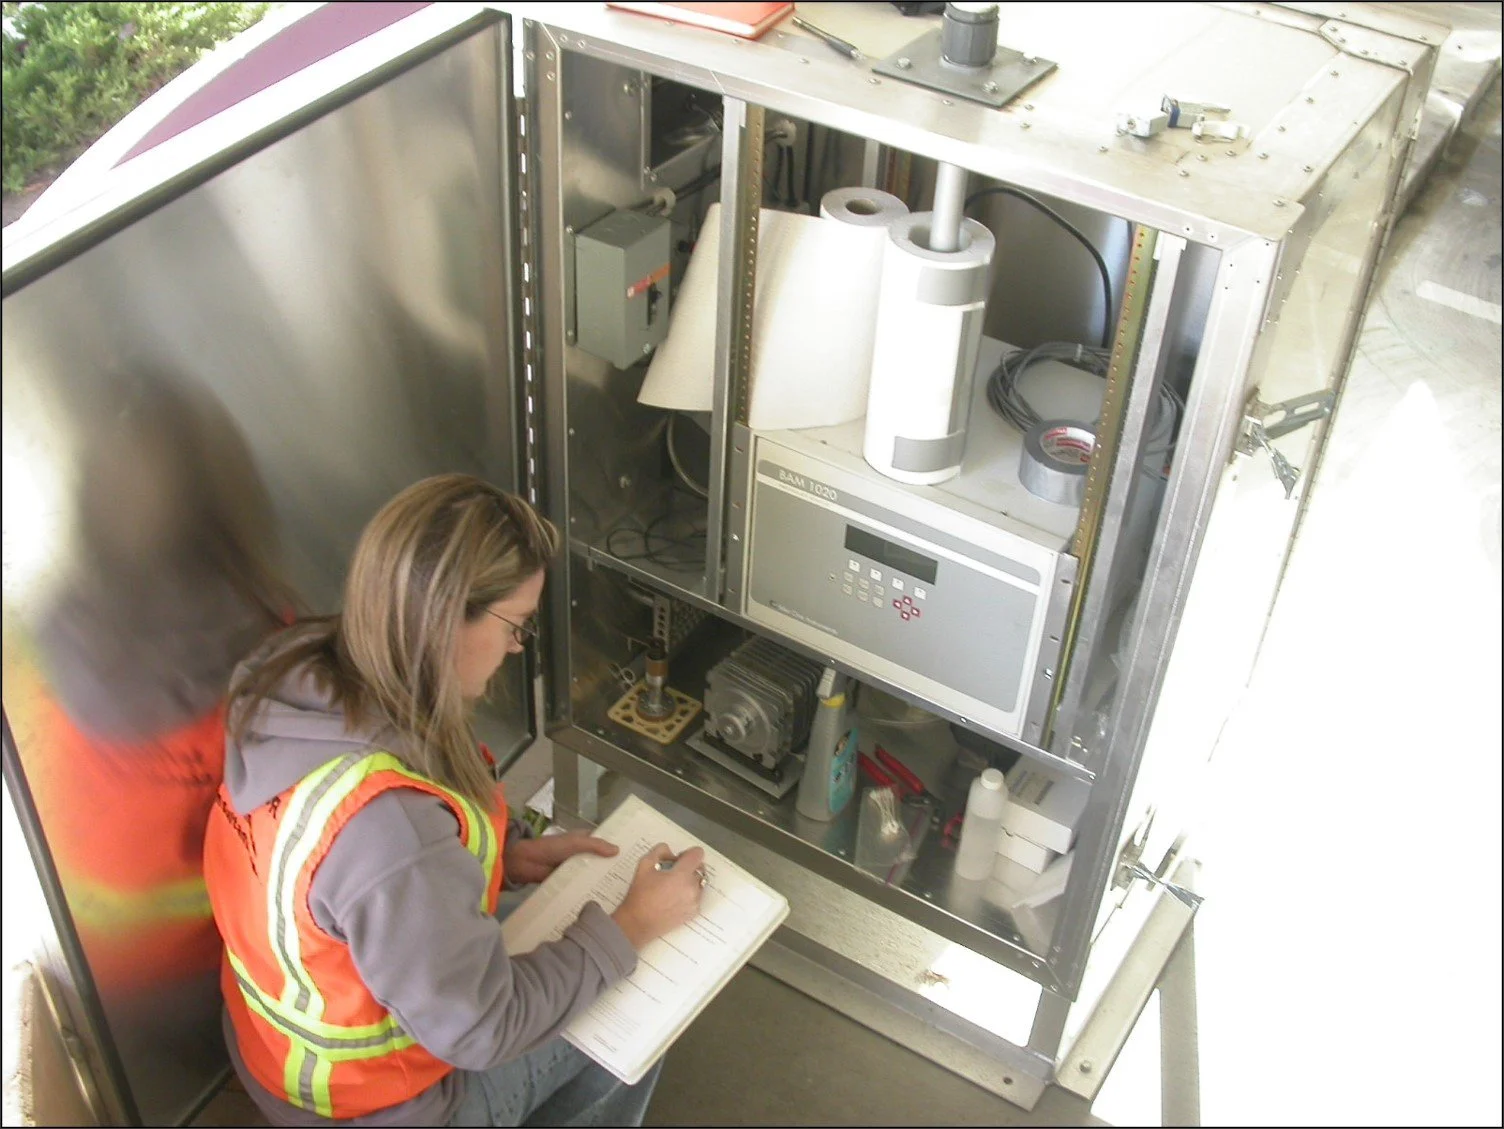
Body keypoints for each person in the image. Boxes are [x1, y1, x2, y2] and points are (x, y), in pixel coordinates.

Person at [202, 474, 706, 1126]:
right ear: (446, 620)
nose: (517, 648)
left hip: (271, 1046)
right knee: (649, 978)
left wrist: (508, 855)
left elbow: (353, 893)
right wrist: (634, 925)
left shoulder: (302, 677)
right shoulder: (390, 832)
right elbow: (484, 1029)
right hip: (382, 1109)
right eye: (516, 626)